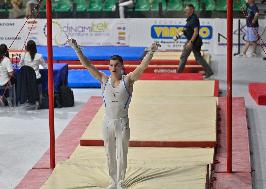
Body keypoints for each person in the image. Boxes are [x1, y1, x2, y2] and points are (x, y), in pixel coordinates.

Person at [67, 38, 159, 189]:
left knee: (122, 153)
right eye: (111, 65)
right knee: (110, 153)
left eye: (116, 65)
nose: (113, 68)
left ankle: (121, 181)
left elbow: (142, 68)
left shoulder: (128, 81)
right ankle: (113, 181)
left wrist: (151, 52)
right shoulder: (103, 79)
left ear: (122, 66)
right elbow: (87, 65)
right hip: (107, 122)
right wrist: (76, 48)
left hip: (122, 122)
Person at [174, 4, 213, 78]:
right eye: (185, 9)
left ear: (192, 10)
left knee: (184, 56)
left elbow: (196, 32)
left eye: (187, 9)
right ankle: (209, 72)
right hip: (192, 41)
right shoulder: (189, 18)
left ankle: (178, 73)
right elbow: (185, 29)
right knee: (198, 58)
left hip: (193, 42)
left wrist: (191, 42)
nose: (185, 11)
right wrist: (178, 35)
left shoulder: (194, 19)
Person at [19, 40, 47, 106]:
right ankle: (38, 99)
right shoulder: (39, 56)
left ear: (27, 47)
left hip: (26, 78)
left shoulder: (24, 55)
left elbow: (20, 66)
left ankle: (29, 98)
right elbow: (45, 67)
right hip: (36, 78)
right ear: (35, 47)